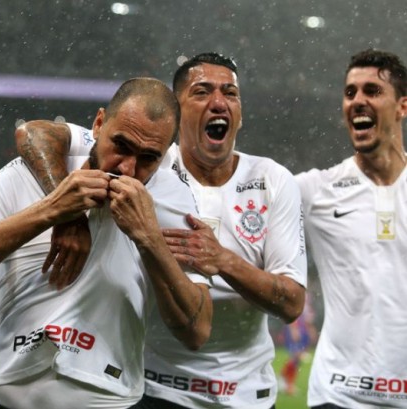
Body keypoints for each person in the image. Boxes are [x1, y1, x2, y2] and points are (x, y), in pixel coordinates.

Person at [15, 52, 307, 409]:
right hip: (157, 389)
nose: (218, 102)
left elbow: (291, 303)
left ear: (241, 113)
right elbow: (36, 133)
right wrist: (68, 215)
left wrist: (222, 260)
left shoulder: (272, 180)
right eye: (202, 92)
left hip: (249, 396)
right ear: (175, 114)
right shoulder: (146, 160)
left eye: (230, 94)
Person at [0, 77, 213, 409]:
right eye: (120, 145)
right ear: (99, 123)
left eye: (149, 157)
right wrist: (56, 210)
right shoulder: (28, 173)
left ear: (166, 153)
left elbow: (197, 330)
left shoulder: (173, 198)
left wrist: (150, 240)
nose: (127, 168)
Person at [296, 49, 407, 409]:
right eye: (350, 93)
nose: (357, 101)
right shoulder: (315, 190)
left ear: (402, 107)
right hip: (338, 395)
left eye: (372, 91)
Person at [278, 296, 317, 396]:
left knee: (297, 360)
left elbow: (307, 319)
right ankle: (288, 384)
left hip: (302, 332)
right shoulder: (298, 295)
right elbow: (291, 313)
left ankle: (284, 380)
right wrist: (293, 329)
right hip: (296, 332)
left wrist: (310, 330)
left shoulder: (307, 299)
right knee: (296, 357)